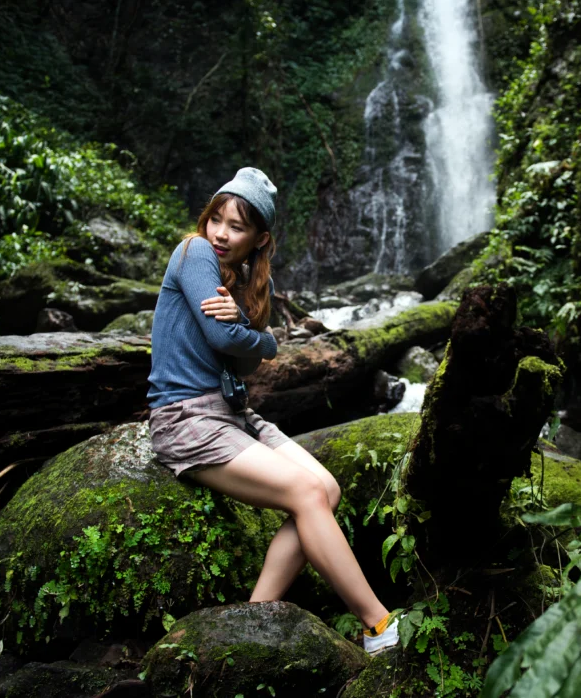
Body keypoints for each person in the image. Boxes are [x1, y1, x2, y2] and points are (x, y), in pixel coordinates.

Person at [146, 167, 400, 655]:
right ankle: (377, 624)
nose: (220, 233)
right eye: (216, 218)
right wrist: (261, 339)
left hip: (234, 413)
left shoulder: (246, 281)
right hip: (187, 417)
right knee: (306, 491)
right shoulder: (193, 252)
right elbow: (234, 341)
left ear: (260, 238)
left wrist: (256, 334)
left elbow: (247, 356)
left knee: (327, 489)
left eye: (236, 226)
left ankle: (254, 616)